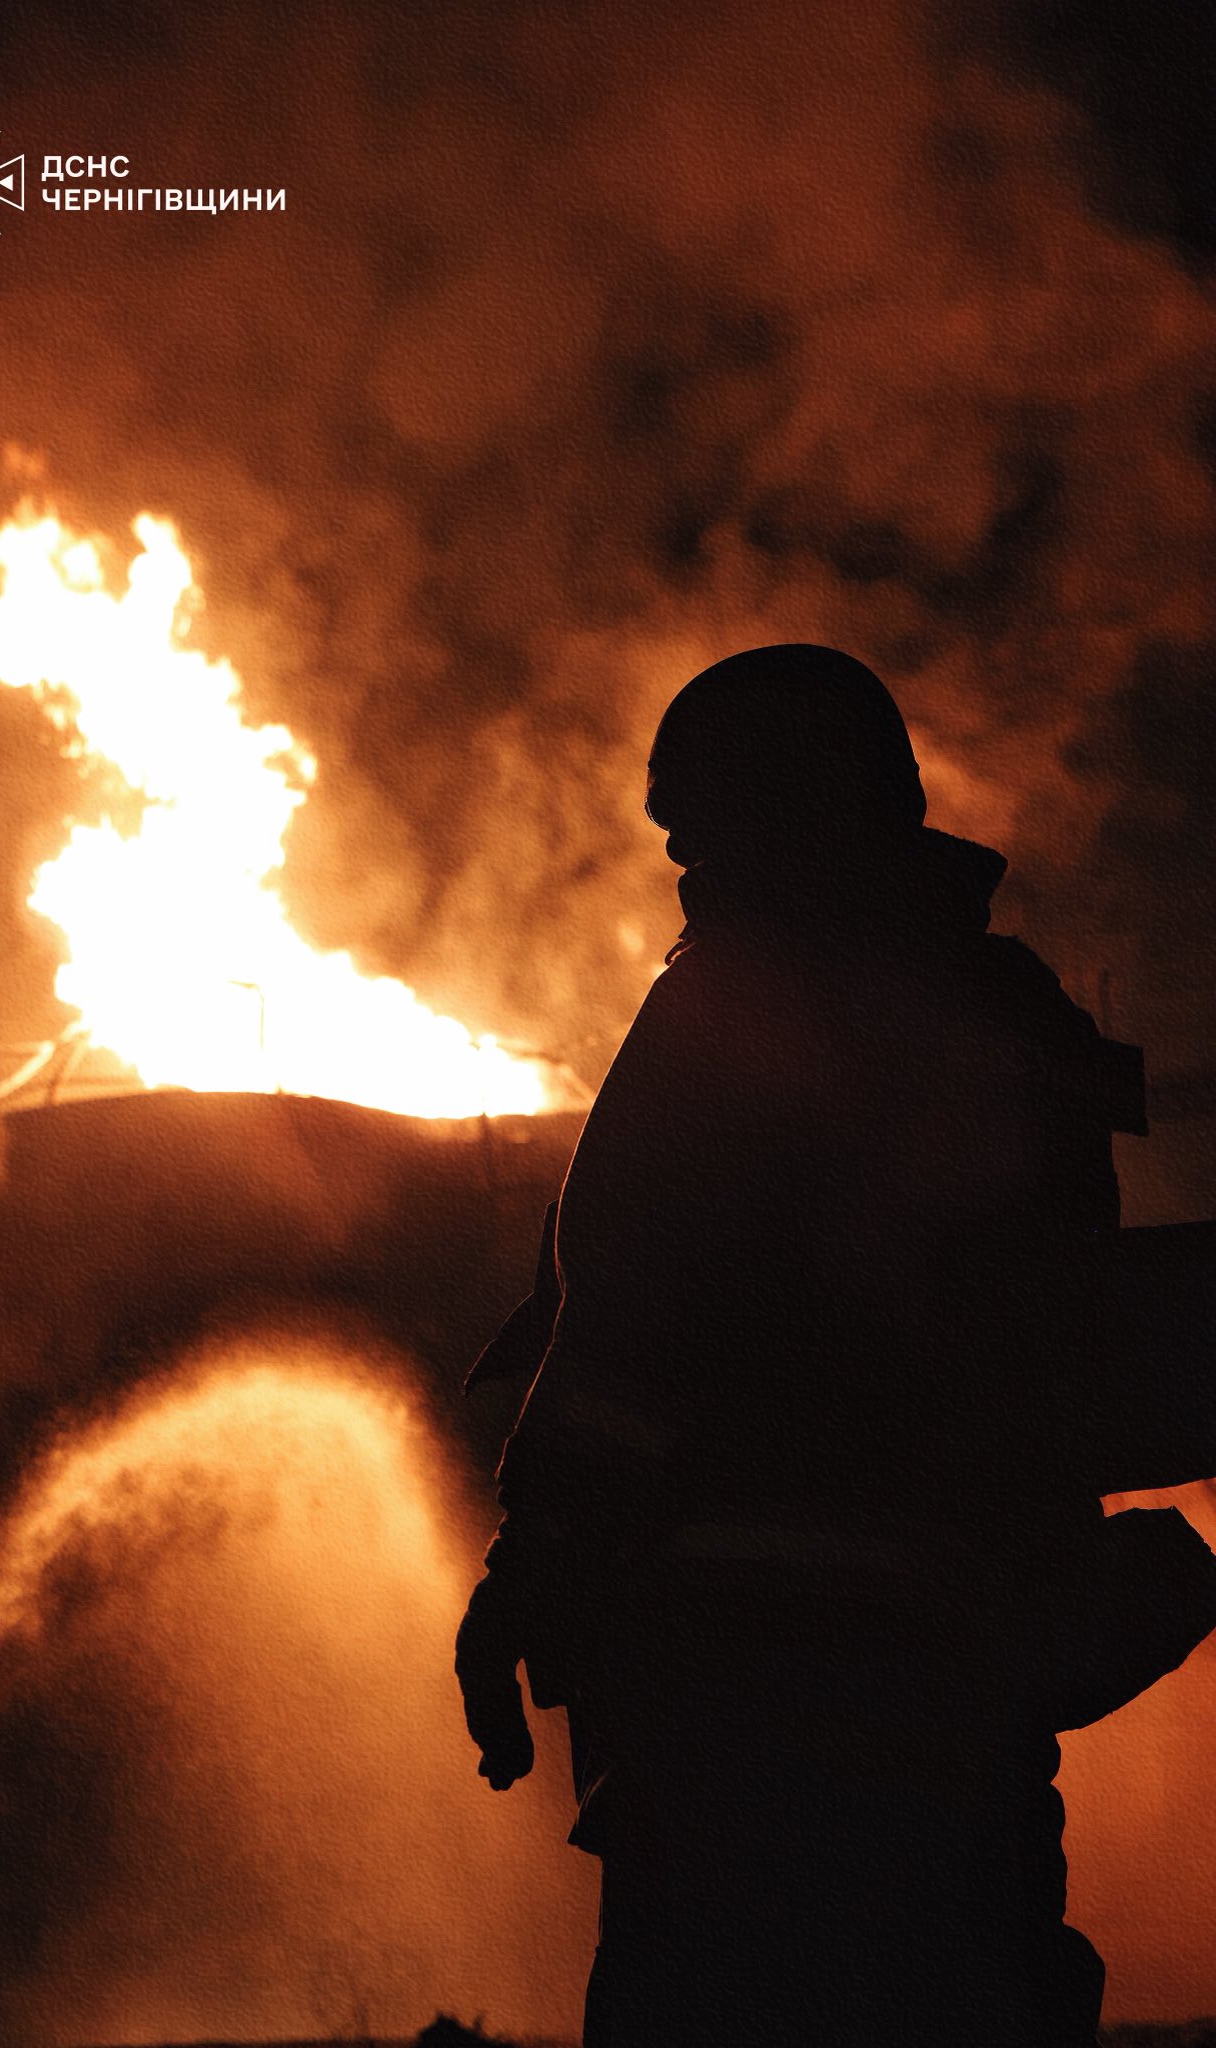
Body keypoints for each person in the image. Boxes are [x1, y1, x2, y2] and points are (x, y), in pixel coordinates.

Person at [455, 645, 1216, 2046]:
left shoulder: (733, 1006)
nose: (677, 858)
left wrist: (530, 1569)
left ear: (775, 808)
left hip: (741, 1686)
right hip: (962, 1679)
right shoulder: (1010, 1014)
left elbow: (633, 1322)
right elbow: (1061, 1331)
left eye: (695, 824)